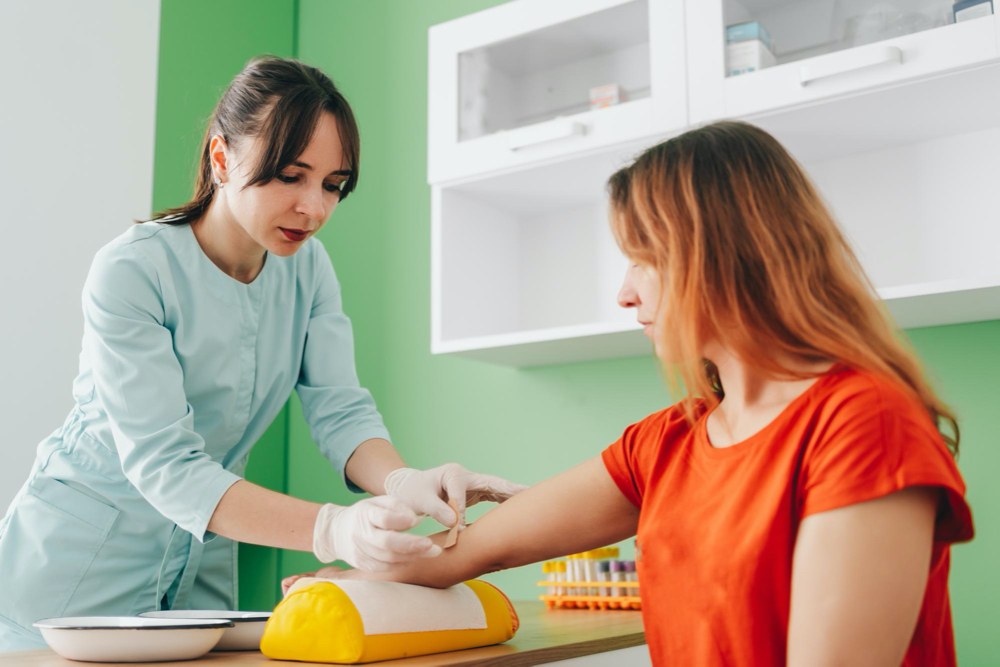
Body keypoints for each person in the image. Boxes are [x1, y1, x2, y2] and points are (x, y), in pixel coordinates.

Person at [284, 122, 975, 666]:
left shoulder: (863, 425)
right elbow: (477, 550)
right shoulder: (669, 442)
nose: (625, 291)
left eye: (645, 259)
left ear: (725, 252)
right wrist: (349, 576)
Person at [0, 56, 524, 652]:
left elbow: (341, 411)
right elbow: (164, 465)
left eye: (332, 185)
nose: (315, 208)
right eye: (291, 176)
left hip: (199, 574)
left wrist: (404, 480)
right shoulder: (132, 270)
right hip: (74, 574)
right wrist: (333, 530)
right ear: (221, 160)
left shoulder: (309, 272)